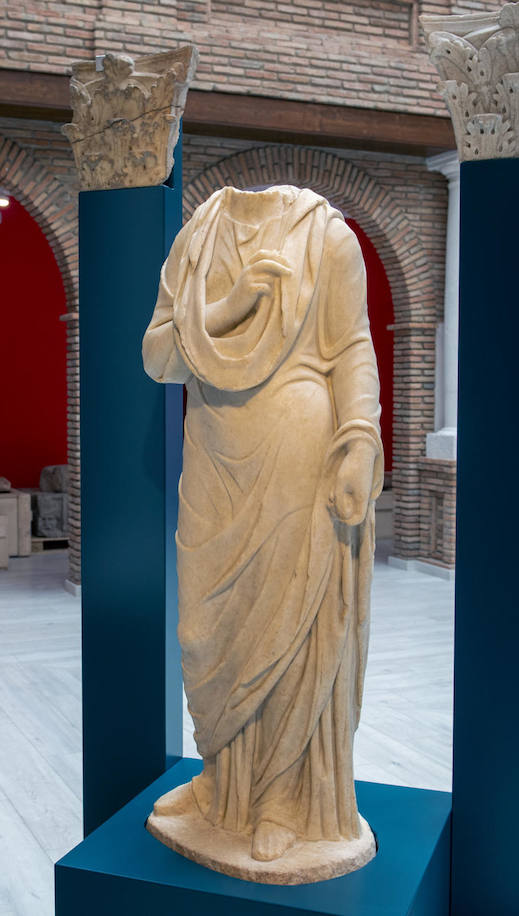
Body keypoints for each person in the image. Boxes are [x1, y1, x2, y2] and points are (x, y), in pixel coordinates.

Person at [142, 185, 382, 876]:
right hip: (215, 452)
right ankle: (221, 782)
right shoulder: (196, 239)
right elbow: (158, 356)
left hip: (297, 445)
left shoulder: (327, 236)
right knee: (207, 630)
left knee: (288, 628)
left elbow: (353, 349)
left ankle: (278, 798)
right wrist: (231, 302)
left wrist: (359, 439)